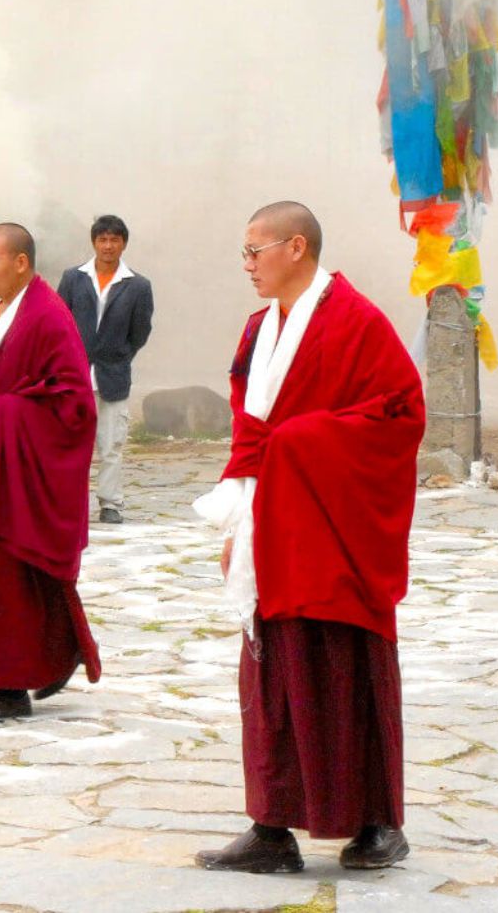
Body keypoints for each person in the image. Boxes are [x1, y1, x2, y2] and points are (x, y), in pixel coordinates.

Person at [192, 201, 424, 872]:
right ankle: (271, 829)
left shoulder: (356, 321)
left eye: (255, 251)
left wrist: (302, 442)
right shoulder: (258, 330)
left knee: (345, 660)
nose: (247, 266)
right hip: (276, 518)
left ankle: (378, 823)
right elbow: (248, 429)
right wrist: (239, 513)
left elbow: (402, 415)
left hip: (335, 522)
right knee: (271, 672)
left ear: (296, 247)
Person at [0, 222, 102, 723]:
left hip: (17, 462)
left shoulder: (47, 318)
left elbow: (75, 405)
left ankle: (9, 687)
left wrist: (4, 413)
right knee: (8, 569)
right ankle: (57, 652)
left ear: (21, 263)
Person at [57, 214, 154, 525]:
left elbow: (140, 332)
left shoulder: (138, 285)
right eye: (103, 239)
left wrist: (120, 355)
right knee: (71, 443)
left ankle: (111, 504)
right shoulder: (74, 278)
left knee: (111, 444)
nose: (108, 245)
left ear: (123, 243)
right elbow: (59, 321)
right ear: (94, 242)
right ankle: (69, 504)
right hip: (74, 375)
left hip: (113, 375)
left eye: (114, 239)